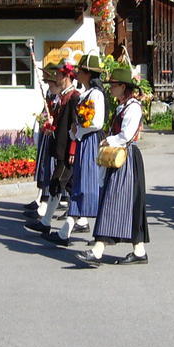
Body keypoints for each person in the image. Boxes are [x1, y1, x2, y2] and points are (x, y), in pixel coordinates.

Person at [75, 65, 150, 266]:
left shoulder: (133, 107)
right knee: (128, 204)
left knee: (113, 201)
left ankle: (98, 250)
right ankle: (139, 250)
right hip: (120, 158)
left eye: (114, 85)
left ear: (124, 86)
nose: (111, 89)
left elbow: (127, 135)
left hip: (126, 159)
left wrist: (109, 140)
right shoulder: (123, 106)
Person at [46, 53, 107, 247]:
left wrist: (78, 128)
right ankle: (66, 232)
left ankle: (95, 231)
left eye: (80, 71)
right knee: (81, 185)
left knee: (89, 186)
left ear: (88, 74)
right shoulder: (88, 94)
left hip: (90, 140)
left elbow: (97, 122)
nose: (77, 73)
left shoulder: (96, 94)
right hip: (83, 140)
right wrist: (77, 132)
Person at [25, 59, 80, 235]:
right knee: (71, 187)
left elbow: (76, 126)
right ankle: (68, 223)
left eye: (58, 74)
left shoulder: (74, 97)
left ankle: (49, 223)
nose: (55, 77)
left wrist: (72, 150)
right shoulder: (62, 96)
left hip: (67, 151)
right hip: (59, 148)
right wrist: (50, 125)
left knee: (57, 184)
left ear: (66, 76)